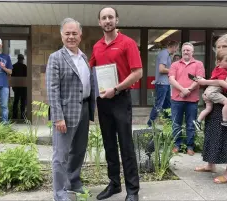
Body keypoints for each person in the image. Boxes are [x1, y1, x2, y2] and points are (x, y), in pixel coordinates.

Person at [89, 7, 143, 201]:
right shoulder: (97, 46)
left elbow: (137, 73)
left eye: (111, 17)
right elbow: (91, 70)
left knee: (126, 145)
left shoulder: (127, 43)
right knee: (109, 144)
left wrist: (117, 88)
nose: (107, 20)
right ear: (99, 22)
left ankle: (133, 190)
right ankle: (114, 184)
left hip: (120, 98)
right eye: (104, 18)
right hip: (103, 100)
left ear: (117, 20)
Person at [46, 18, 95, 201]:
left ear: (80, 36)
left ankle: (73, 182)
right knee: (60, 156)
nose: (71, 37)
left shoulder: (83, 57)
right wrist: (58, 117)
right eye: (67, 33)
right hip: (65, 114)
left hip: (83, 110)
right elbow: (52, 89)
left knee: (78, 150)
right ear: (62, 35)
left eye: (74, 33)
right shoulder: (56, 58)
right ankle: (59, 193)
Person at [195, 35, 227, 184]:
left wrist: (204, 82)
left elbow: (225, 82)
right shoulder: (220, 63)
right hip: (216, 104)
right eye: (218, 47)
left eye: (225, 46)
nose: (221, 49)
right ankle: (211, 164)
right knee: (212, 133)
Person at [168, 42, 205, 156]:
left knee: (190, 124)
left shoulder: (198, 64)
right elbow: (171, 79)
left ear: (192, 52)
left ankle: (190, 146)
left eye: (188, 50)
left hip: (192, 100)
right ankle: (177, 145)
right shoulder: (175, 64)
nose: (186, 52)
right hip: (176, 99)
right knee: (176, 123)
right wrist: (182, 90)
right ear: (182, 51)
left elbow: (199, 79)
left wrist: (188, 90)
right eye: (184, 50)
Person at [192, 50, 227, 131]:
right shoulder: (223, 71)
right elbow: (221, 82)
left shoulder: (217, 69)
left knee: (208, 108)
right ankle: (225, 120)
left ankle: (198, 120)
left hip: (207, 93)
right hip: (213, 92)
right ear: (219, 62)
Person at [147, 41, 179, 127]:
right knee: (159, 105)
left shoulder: (166, 54)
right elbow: (161, 69)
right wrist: (174, 71)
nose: (176, 50)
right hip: (162, 84)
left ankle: (169, 124)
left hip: (166, 83)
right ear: (173, 46)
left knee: (167, 105)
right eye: (176, 48)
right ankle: (150, 124)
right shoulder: (164, 54)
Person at [11, 54, 27, 119]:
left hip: (17, 87)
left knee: (16, 101)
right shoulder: (24, 67)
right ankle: (22, 116)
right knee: (21, 102)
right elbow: (26, 77)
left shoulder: (14, 66)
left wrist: (13, 86)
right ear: (22, 59)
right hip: (23, 87)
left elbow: (12, 77)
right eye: (21, 59)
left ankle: (15, 116)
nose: (21, 60)